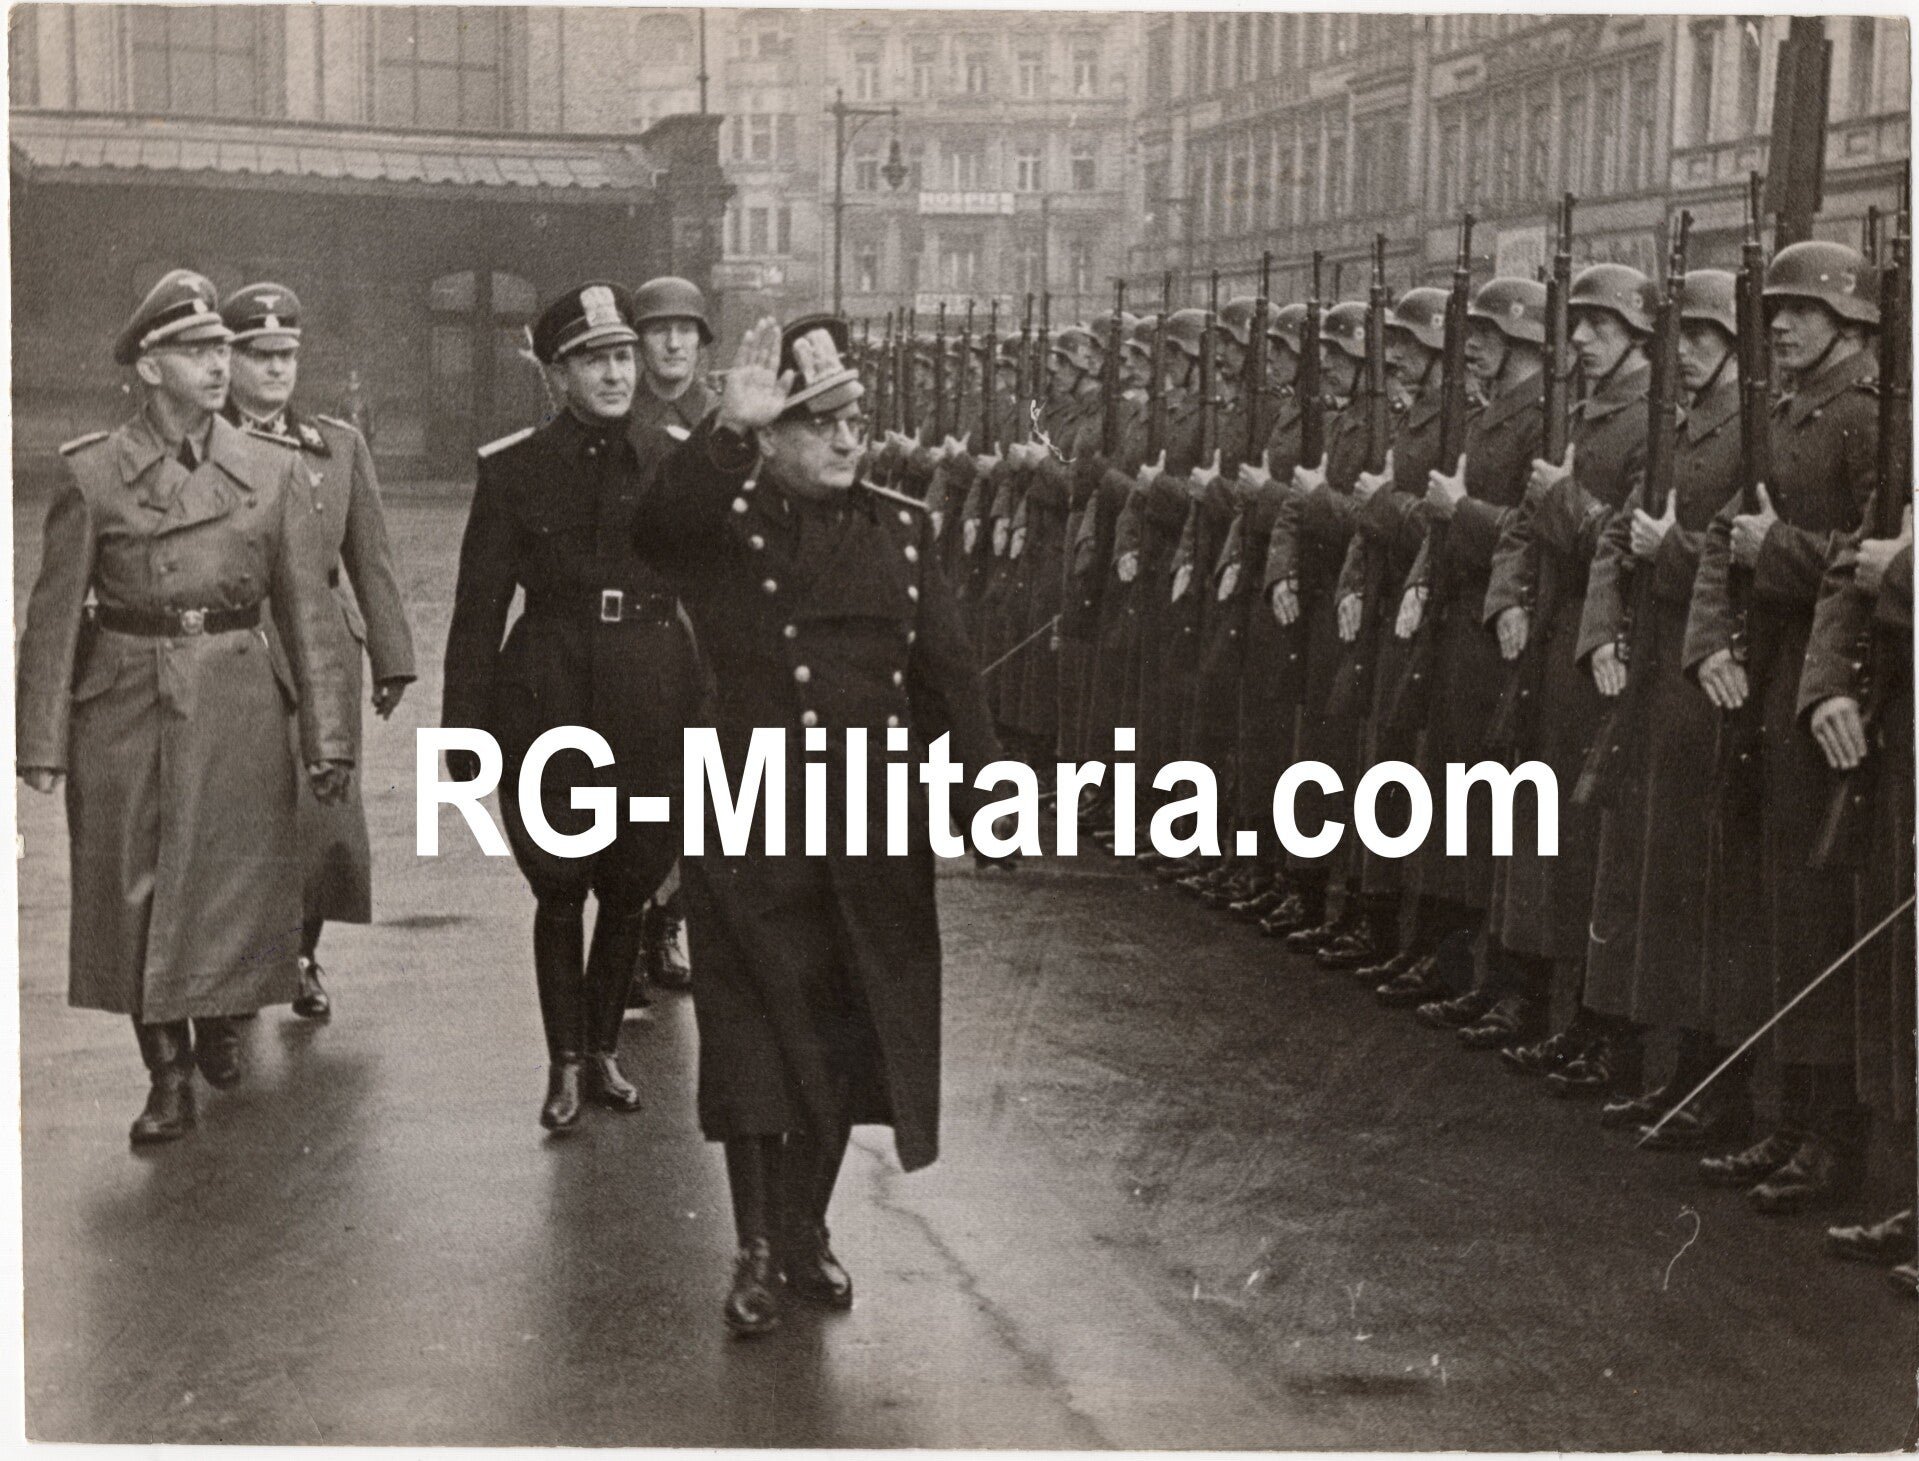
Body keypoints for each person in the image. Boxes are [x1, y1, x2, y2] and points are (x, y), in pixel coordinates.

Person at [634, 314, 1002, 1337]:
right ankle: (753, 1249)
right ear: (773, 432)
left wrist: (983, 793)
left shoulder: (903, 530)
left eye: (854, 421)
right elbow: (656, 533)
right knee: (753, 1037)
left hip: (870, 821)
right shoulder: (727, 520)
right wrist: (723, 431)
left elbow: (949, 677)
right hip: (749, 809)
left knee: (844, 1037)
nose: (848, 442)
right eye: (819, 424)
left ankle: (802, 1228)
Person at [15, 269, 353, 1144]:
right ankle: (165, 1071)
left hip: (238, 691)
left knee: (233, 878)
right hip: (127, 698)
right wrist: (41, 743)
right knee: (135, 889)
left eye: (221, 349)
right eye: (197, 351)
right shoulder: (93, 474)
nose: (218, 364)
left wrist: (328, 736)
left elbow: (309, 612)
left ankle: (220, 1019)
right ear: (150, 368)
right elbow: (52, 619)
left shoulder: (274, 471)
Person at [441, 282, 699, 1133]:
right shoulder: (514, 469)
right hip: (549, 698)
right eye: (596, 360)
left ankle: (601, 1052)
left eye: (624, 355)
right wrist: (465, 737)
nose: (618, 372)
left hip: (652, 696)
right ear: (557, 373)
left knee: (628, 887)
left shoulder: (670, 458)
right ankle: (561, 1061)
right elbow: (479, 609)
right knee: (559, 889)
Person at [1684, 241, 1881, 1212]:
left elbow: (1867, 557)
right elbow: (1727, 534)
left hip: (1839, 686)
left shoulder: (1865, 420)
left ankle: (1827, 1143)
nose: (1783, 326)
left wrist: (1779, 552)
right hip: (1772, 675)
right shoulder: (1781, 410)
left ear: (1850, 323)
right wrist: (1711, 642)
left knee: (1816, 914)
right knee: (1775, 907)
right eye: (1775, 312)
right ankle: (1786, 1122)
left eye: (1801, 311)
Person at [220, 283, 417, 1018]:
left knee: (323, 817)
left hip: (326, 652)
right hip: (239, 640)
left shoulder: (336, 446)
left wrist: (393, 658)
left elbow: (373, 557)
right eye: (260, 355)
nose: (276, 371)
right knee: (240, 809)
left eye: (287, 356)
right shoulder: (209, 445)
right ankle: (238, 965)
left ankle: (302, 955)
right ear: (230, 359)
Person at [626, 275, 718, 995]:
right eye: (661, 330)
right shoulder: (619, 415)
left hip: (706, 624)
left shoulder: (720, 416)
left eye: (686, 330)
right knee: (632, 778)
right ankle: (628, 924)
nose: (675, 341)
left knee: (697, 779)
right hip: (638, 618)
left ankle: (667, 921)